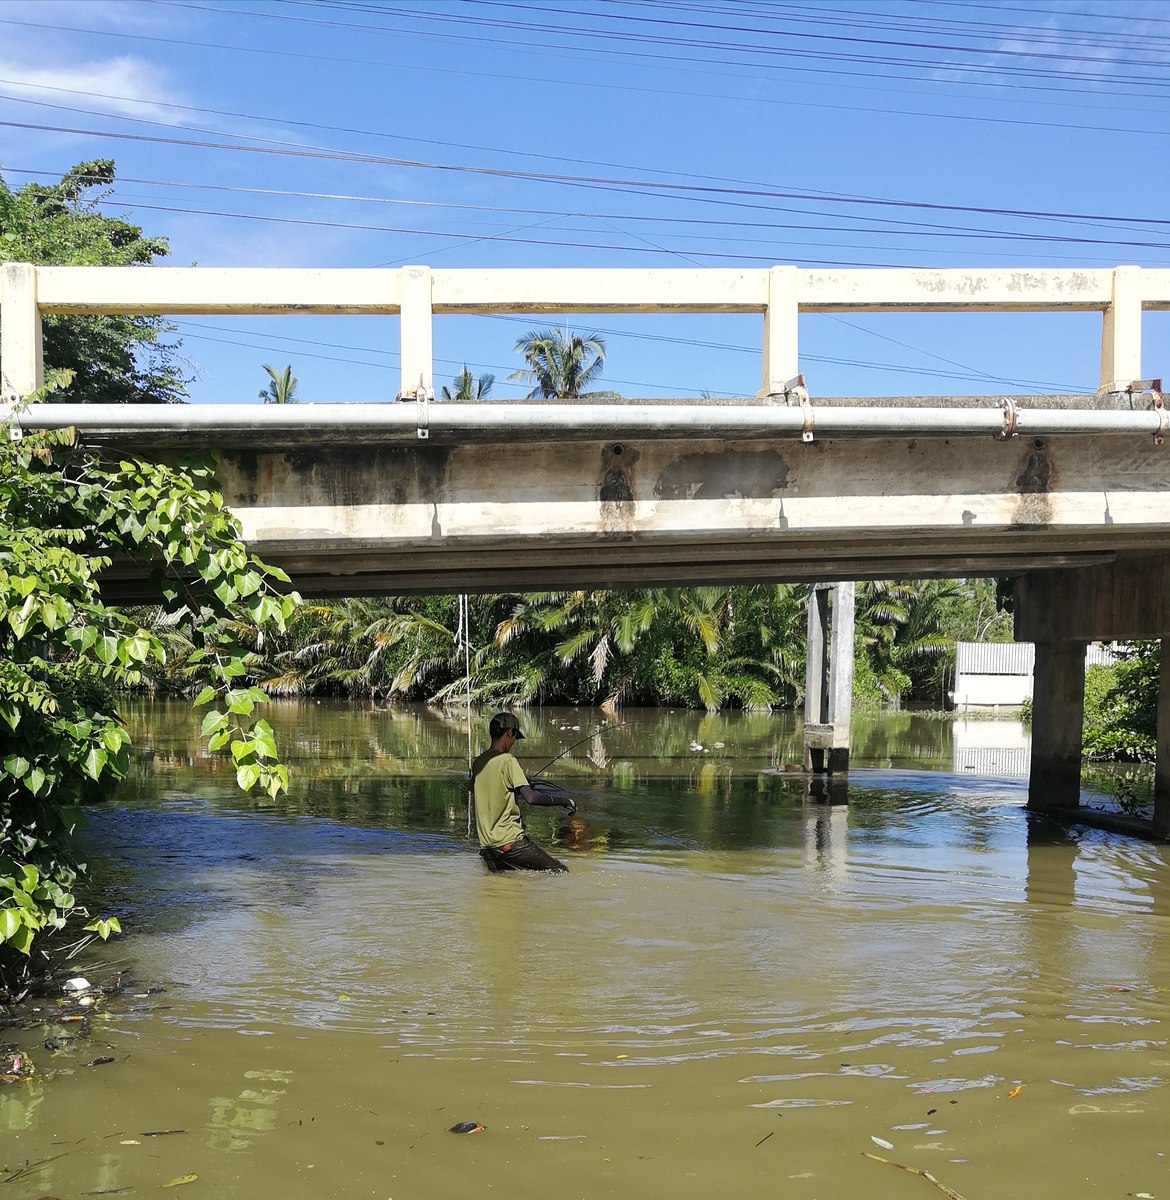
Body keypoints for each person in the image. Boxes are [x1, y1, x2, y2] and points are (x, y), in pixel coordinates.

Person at [471, 712, 576, 873]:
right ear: (509, 733)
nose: (513, 742)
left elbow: (486, 791)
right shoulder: (508, 760)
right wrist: (563, 801)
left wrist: (517, 787)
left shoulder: (479, 762)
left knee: (503, 887)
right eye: (514, 738)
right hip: (510, 842)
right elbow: (532, 798)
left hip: (488, 847)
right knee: (560, 871)